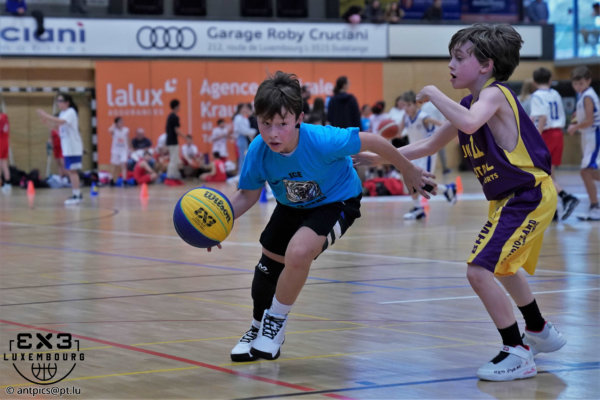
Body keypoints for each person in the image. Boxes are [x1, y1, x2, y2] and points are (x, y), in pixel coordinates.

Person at [357, 24, 566, 381]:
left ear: (485, 65)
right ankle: (538, 329)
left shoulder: (495, 95)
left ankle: (517, 351)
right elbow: (428, 145)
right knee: (502, 266)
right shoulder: (470, 105)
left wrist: (433, 93)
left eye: (458, 57)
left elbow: (469, 123)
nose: (450, 64)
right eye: (450, 57)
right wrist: (379, 157)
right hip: (509, 198)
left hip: (528, 194)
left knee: (478, 270)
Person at [223, 71, 435, 363]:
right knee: (267, 267)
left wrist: (407, 169)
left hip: (337, 201)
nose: (273, 133)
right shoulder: (258, 150)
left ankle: (275, 323)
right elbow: (246, 195)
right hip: (292, 205)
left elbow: (374, 141)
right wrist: (219, 223)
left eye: (282, 124)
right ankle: (257, 327)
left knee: (299, 252)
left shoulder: (323, 140)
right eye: (265, 123)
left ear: (299, 118)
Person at [395, 91, 456, 219]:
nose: (405, 108)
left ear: (415, 104)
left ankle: (446, 190)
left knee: (422, 182)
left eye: (408, 105)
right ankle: (420, 207)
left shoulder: (424, 117)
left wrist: (457, 130)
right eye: (404, 105)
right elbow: (398, 134)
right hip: (413, 153)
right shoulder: (405, 117)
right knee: (411, 180)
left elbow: (442, 124)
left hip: (426, 153)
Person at [530, 67, 579, 220]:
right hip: (558, 134)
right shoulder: (555, 93)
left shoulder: (537, 95)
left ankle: (565, 197)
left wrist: (535, 136)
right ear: (550, 80)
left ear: (534, 82)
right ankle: (553, 211)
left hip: (546, 135)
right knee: (550, 173)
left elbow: (542, 117)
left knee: (542, 174)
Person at [37, 93, 84, 205]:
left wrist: (46, 115)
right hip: (67, 147)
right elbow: (59, 130)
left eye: (60, 100)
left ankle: (77, 195)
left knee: (72, 171)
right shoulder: (63, 113)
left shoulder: (71, 112)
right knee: (70, 171)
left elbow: (61, 122)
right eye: (57, 101)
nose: (58, 103)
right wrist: (47, 123)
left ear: (67, 102)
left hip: (73, 147)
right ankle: (76, 194)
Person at [567, 66, 600, 221]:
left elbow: (590, 121)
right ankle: (594, 206)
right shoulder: (584, 95)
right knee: (587, 172)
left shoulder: (587, 96)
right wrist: (577, 117)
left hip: (594, 135)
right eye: (575, 84)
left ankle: (595, 207)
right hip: (588, 136)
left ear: (588, 81)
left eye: (581, 83)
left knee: (586, 172)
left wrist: (574, 126)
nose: (578, 86)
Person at [421, 100, 451, 174]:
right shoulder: (438, 104)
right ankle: (444, 168)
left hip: (428, 132)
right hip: (439, 130)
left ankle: (425, 169)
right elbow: (442, 118)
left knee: (427, 152)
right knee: (441, 151)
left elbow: (424, 120)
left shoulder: (424, 106)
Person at [165, 99, 184, 186]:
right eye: (179, 106)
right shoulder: (174, 117)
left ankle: (175, 177)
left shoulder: (170, 116)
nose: (180, 107)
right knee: (173, 160)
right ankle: (169, 178)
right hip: (172, 141)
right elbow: (176, 130)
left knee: (176, 160)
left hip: (171, 141)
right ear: (176, 106)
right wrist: (186, 137)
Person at [233, 102, 257, 174]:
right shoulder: (238, 118)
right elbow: (242, 130)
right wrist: (253, 131)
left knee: (244, 157)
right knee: (242, 157)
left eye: (246, 108)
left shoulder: (244, 118)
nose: (245, 110)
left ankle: (243, 173)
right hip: (241, 138)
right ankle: (240, 173)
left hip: (246, 138)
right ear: (240, 109)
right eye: (243, 108)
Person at [109, 116, 130, 186]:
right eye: (120, 122)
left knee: (123, 165)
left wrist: (129, 148)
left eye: (122, 121)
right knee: (114, 166)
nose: (122, 123)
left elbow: (127, 139)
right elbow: (110, 130)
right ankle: (111, 179)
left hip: (123, 150)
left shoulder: (126, 130)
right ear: (116, 123)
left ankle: (124, 180)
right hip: (115, 150)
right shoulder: (114, 130)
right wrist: (114, 125)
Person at [0, 112, 11, 194]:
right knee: (4, 164)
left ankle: (3, 184)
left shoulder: (1, 118)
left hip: (1, 143)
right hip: (5, 142)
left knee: (2, 164)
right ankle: (7, 184)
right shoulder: (5, 118)